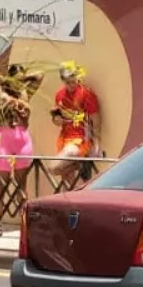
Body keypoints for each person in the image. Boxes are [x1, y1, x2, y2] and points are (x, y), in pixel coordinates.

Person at [46, 61, 102, 190]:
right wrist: (56, 120)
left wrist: (97, 141)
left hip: (81, 140)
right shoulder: (60, 94)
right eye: (68, 82)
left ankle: (77, 166)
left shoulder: (85, 93)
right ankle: (74, 202)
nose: (71, 85)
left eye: (73, 81)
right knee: (68, 183)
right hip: (64, 139)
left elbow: (96, 117)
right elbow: (56, 117)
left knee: (53, 167)